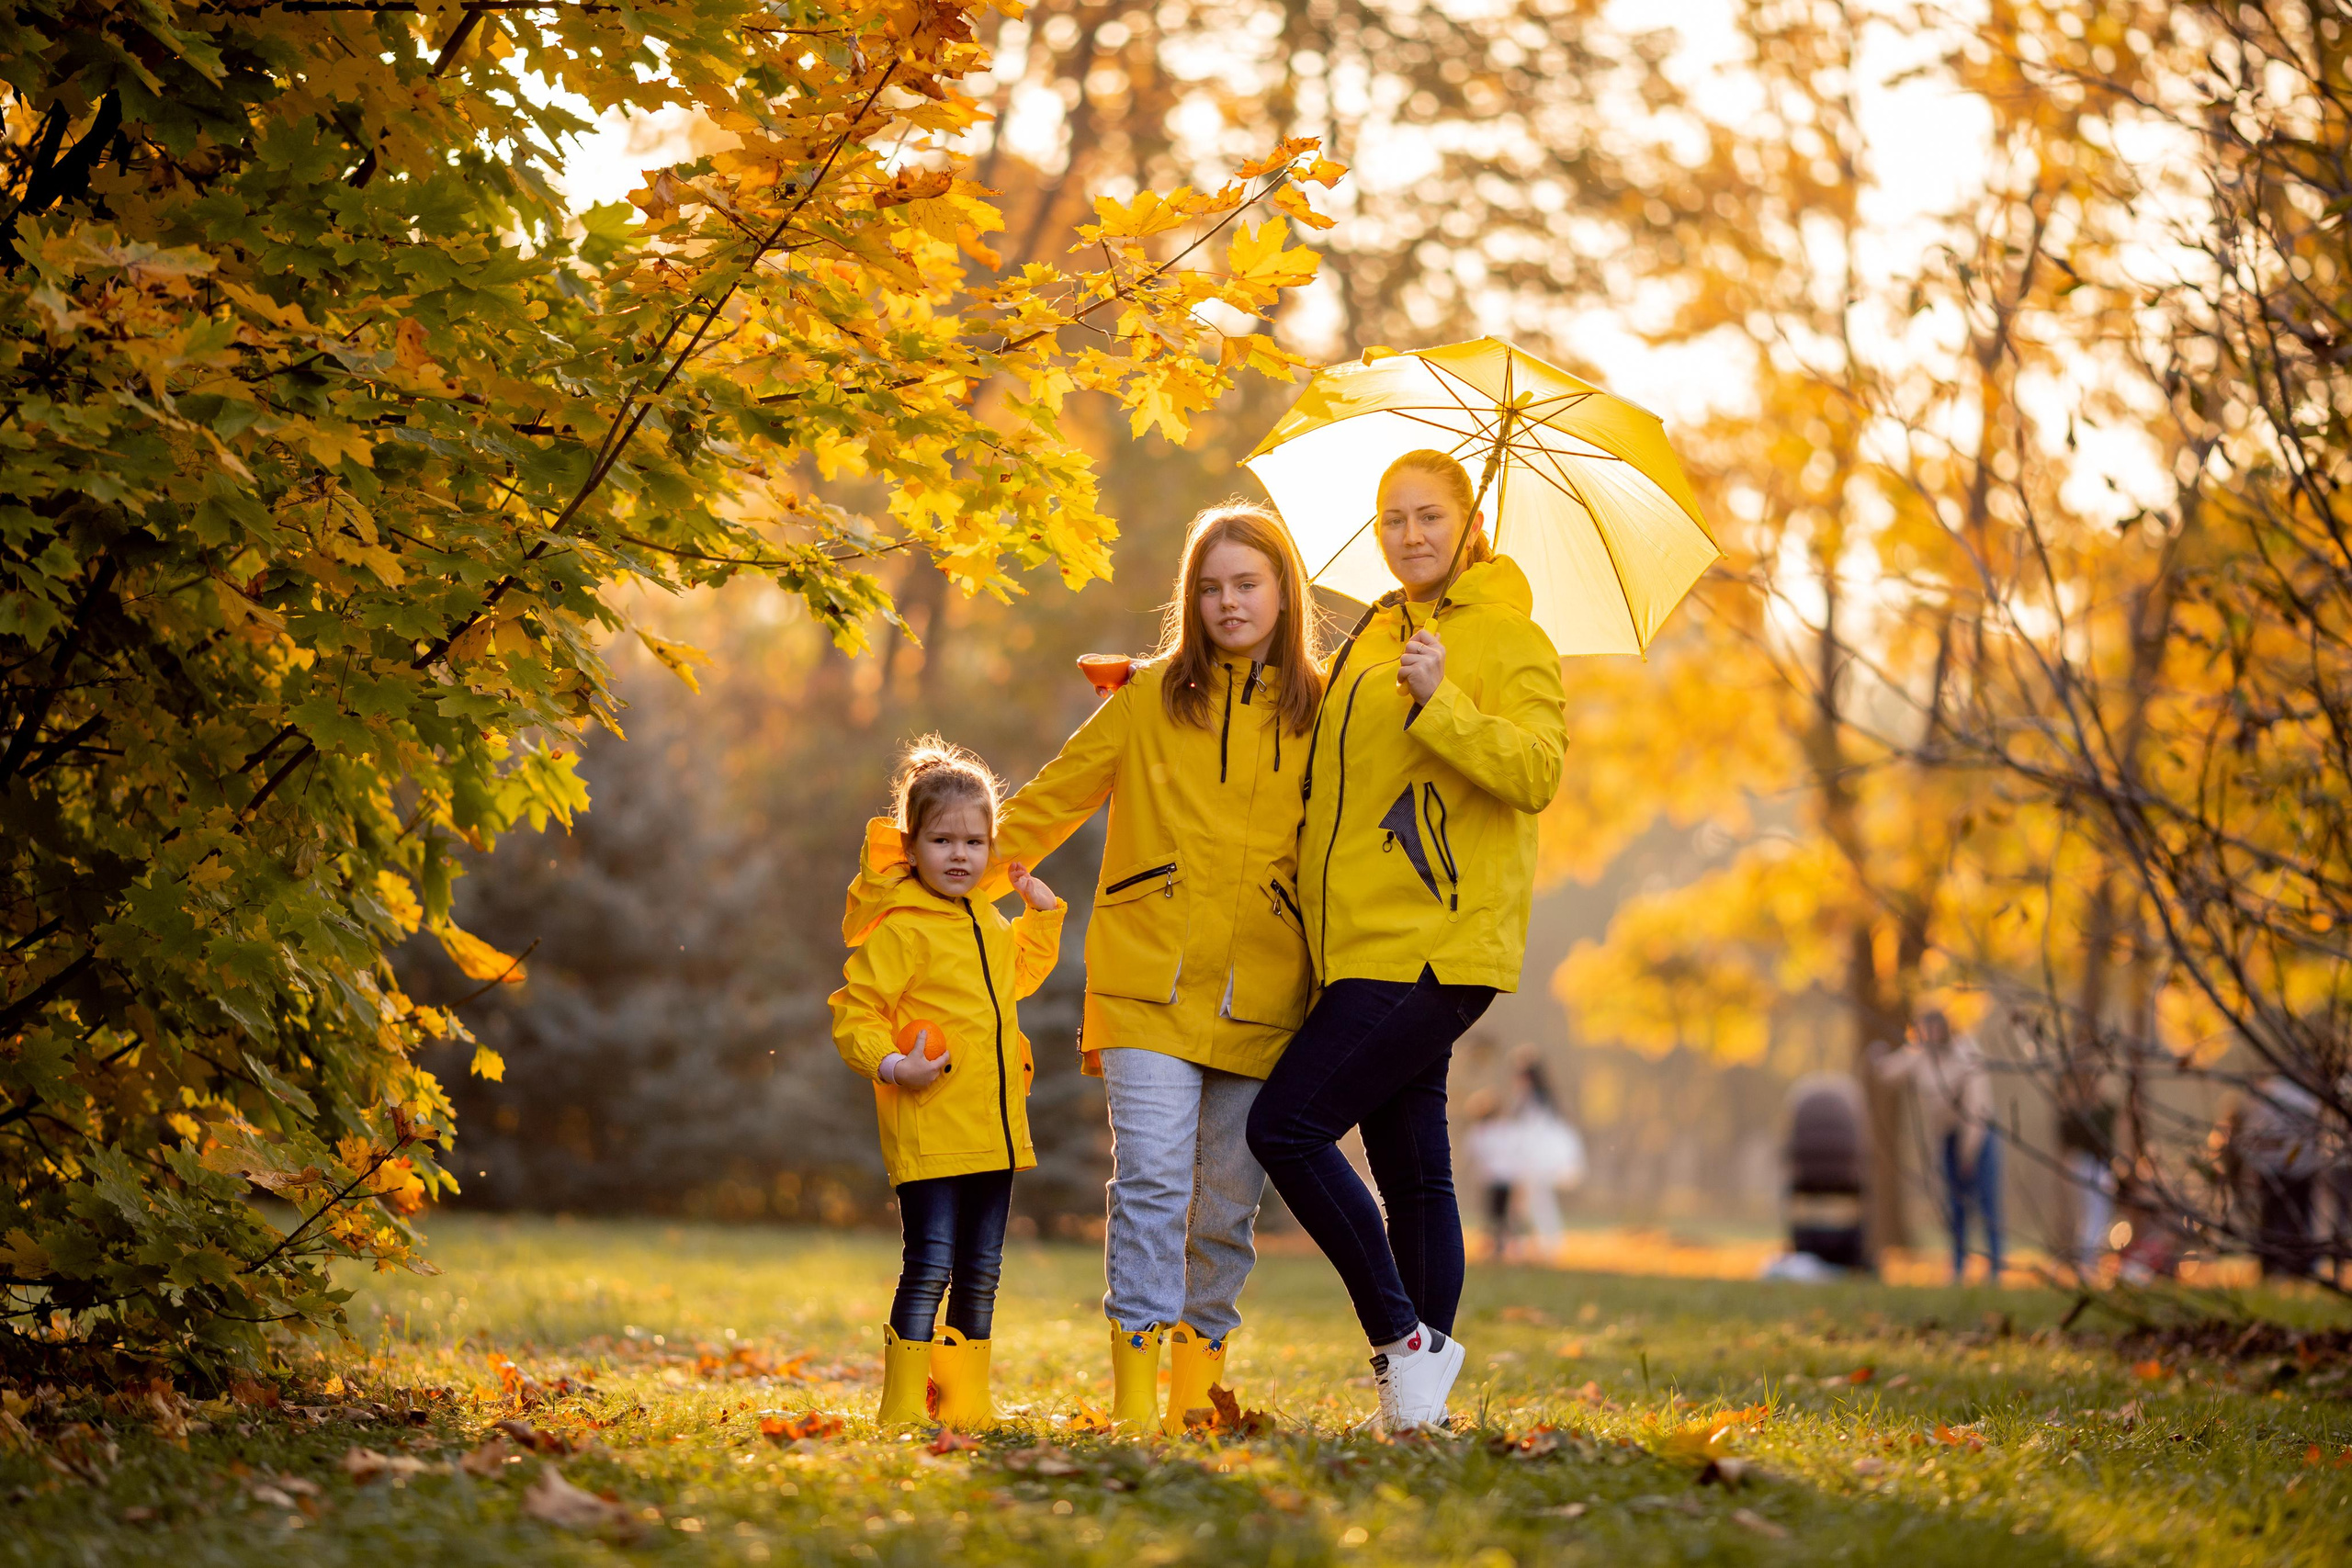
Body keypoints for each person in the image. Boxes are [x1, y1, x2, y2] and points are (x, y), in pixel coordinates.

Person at [1247, 447, 1566, 1431]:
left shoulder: (1511, 637)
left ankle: (1403, 1339)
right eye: (1393, 519)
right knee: (1412, 1168)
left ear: (1471, 522)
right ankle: (1415, 1403)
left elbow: (1536, 772)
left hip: (1434, 940)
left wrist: (1446, 704)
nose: (1410, 536)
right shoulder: (1374, 635)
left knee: (1285, 1127)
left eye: (1429, 516)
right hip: (1360, 940)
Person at [989, 502, 1324, 1433]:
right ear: (1190, 596)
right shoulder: (1145, 697)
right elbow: (1051, 800)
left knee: (1224, 1205)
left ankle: (1193, 1391)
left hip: (1264, 988)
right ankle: (1136, 1396)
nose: (1227, 603)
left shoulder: (1327, 710)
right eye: (1209, 587)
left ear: (1281, 592)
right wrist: (935, 870)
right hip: (1146, 979)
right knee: (1149, 1182)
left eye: (1246, 585)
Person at [829, 739, 1064, 1428]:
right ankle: (902, 1402)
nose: (960, 855)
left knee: (982, 1271)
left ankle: (966, 1403)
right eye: (942, 840)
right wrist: (894, 1065)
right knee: (929, 1263)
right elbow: (855, 1010)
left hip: (993, 1129)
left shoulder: (990, 923)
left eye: (974, 841)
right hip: (932, 1125)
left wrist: (1040, 918)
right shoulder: (900, 929)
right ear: (911, 846)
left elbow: (1012, 984)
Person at [1872, 1009, 2001, 1284]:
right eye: (1923, 1030)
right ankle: (1957, 1266)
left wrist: (1969, 1154)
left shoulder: (1966, 1053)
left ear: (1944, 1029)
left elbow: (1976, 1109)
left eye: (1933, 1029)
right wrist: (1876, 1059)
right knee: (1954, 1207)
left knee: (1987, 1203)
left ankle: (1995, 1268)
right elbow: (1892, 1071)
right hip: (1947, 1137)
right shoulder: (1921, 1055)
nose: (1928, 1035)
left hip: (1978, 1136)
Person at [2055, 1066, 2118, 1280]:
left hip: (2090, 1166)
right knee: (2093, 1216)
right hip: (2089, 1166)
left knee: (2093, 1216)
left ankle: (2087, 1262)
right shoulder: (2078, 1113)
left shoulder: (2103, 1110)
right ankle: (2086, 1264)